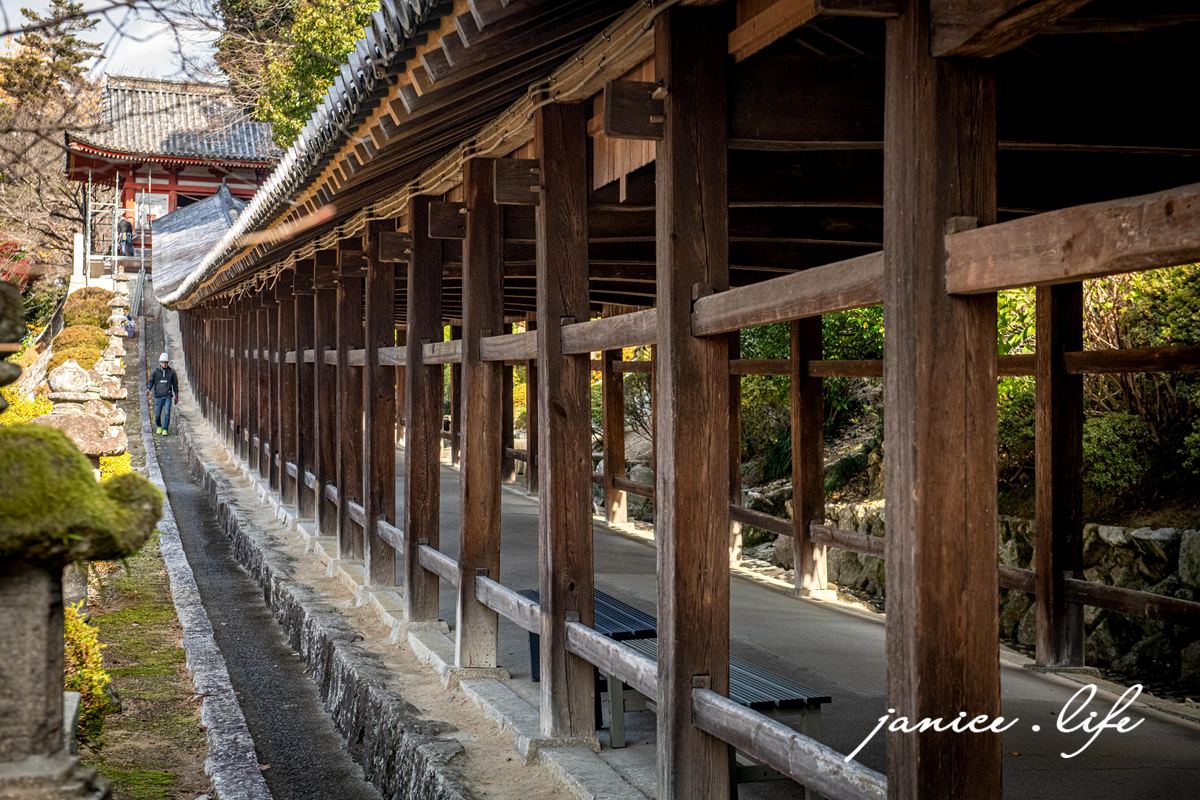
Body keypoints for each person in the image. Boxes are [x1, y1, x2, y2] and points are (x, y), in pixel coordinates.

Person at [147, 353, 179, 436]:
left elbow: (175, 384)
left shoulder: (171, 372)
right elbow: (151, 381)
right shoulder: (155, 372)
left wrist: (176, 395)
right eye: (162, 362)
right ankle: (159, 426)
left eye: (165, 362)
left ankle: (165, 429)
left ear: (167, 362)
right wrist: (148, 389)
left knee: (167, 413)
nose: (164, 364)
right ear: (160, 362)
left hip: (168, 396)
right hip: (158, 396)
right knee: (157, 415)